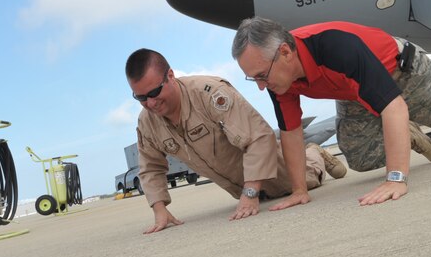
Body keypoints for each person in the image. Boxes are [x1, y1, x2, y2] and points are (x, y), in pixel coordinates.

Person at [232, 18, 431, 210]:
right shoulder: (277, 79)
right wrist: (299, 190)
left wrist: (396, 179)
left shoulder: (333, 46)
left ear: (286, 52)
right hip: (354, 93)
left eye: (261, 76)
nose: (260, 86)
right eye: (252, 79)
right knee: (360, 157)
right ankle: (404, 134)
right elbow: (291, 133)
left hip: (401, 72)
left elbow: (393, 104)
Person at [125, 48, 347, 233]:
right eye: (141, 97)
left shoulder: (209, 94)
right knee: (267, 196)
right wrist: (159, 209)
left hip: (271, 171)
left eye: (154, 92)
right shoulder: (147, 122)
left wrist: (250, 193)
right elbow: (150, 167)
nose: (151, 103)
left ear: (170, 75)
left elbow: (259, 137)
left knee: (304, 179)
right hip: (239, 187)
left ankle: (314, 153)